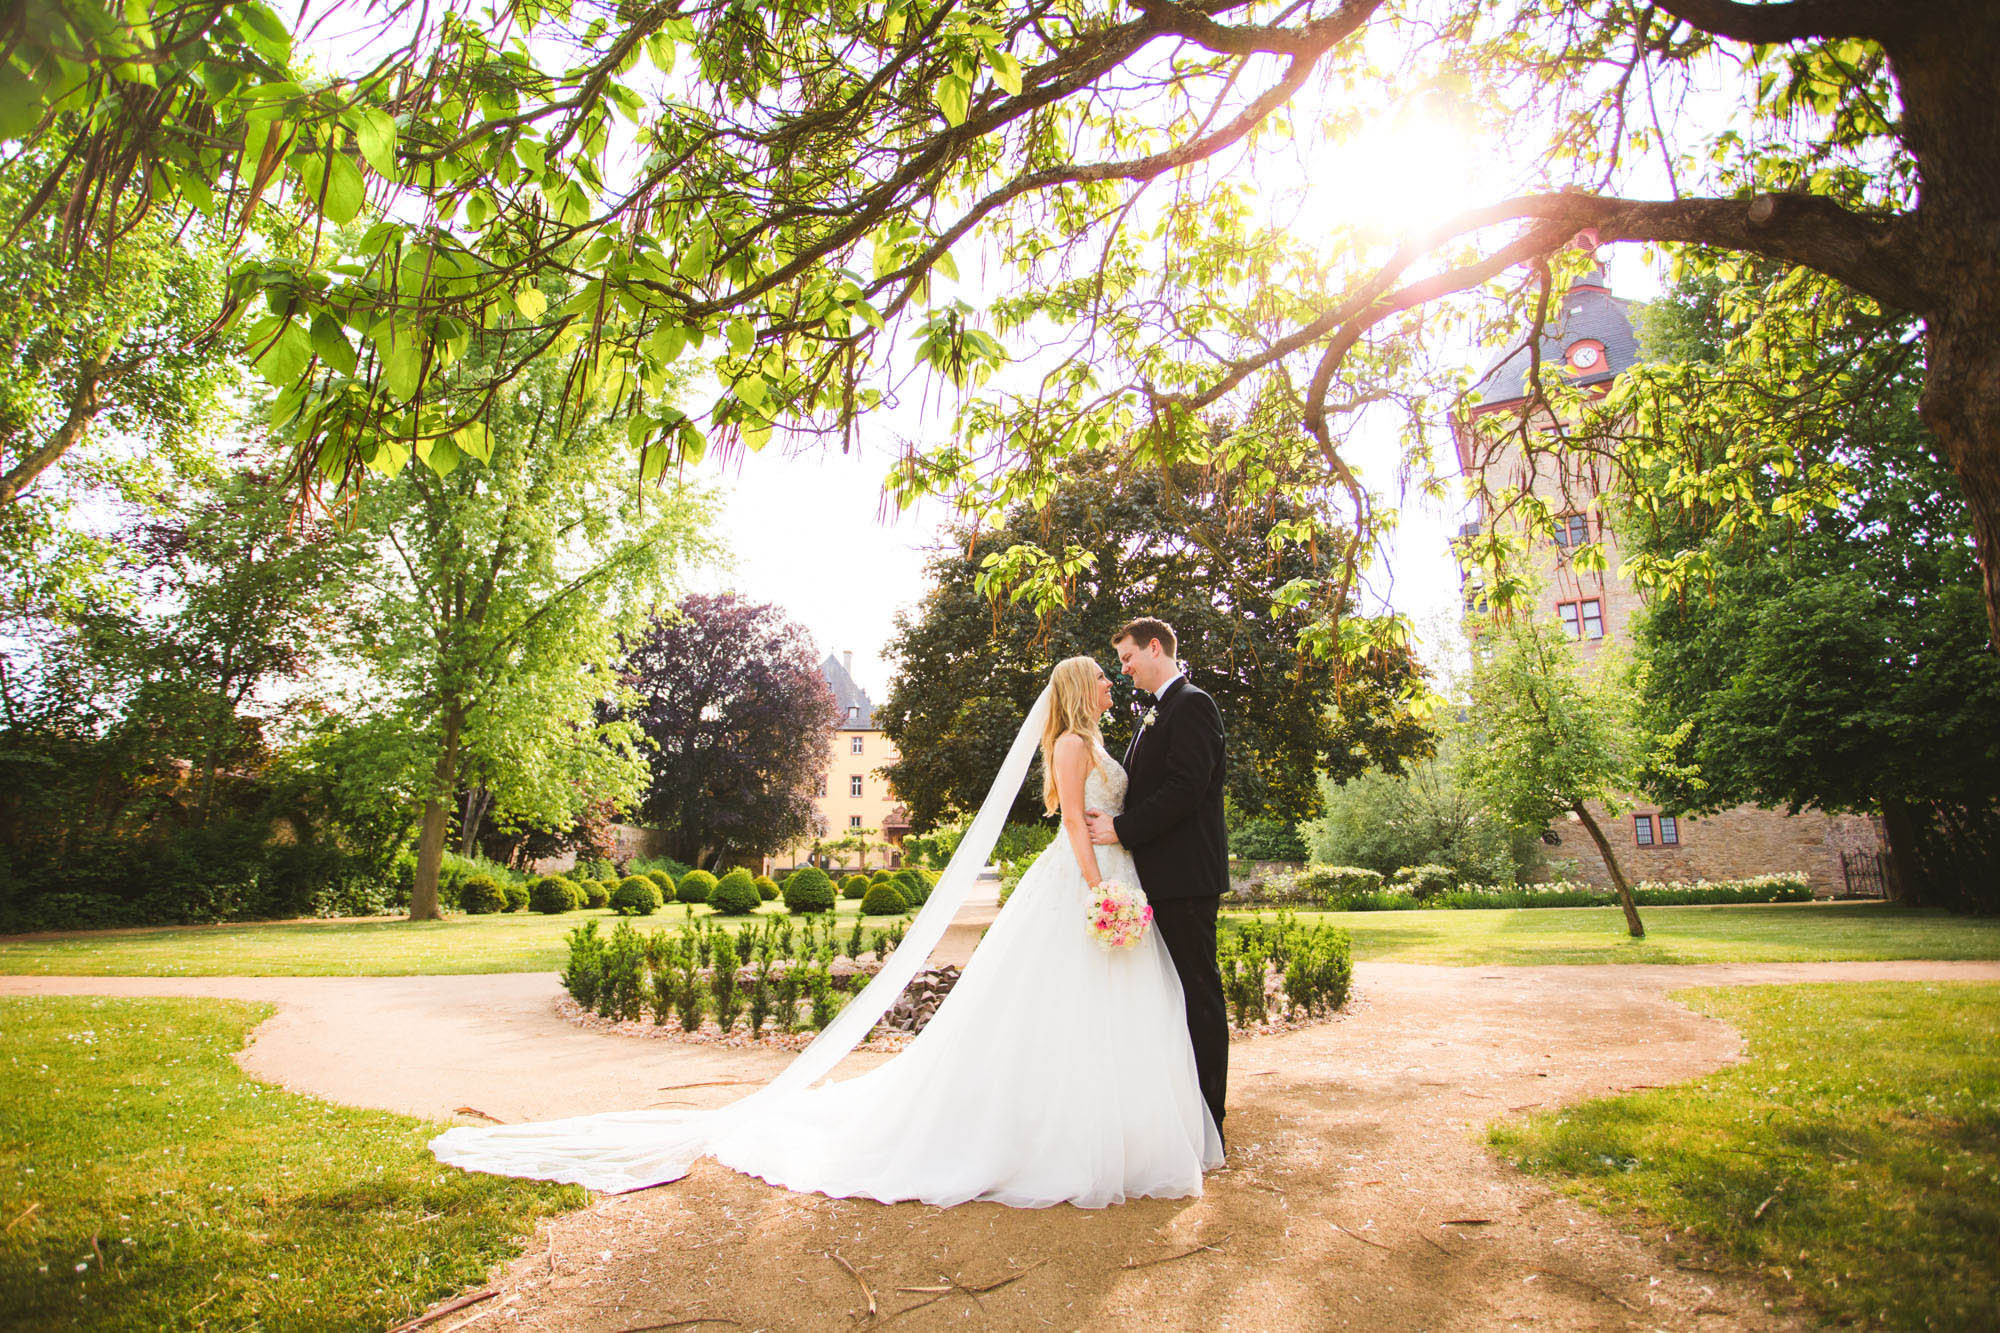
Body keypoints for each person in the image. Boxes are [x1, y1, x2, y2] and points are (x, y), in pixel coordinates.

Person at [431, 655, 1222, 1207]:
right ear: (1083, 690)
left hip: (1115, 881)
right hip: (1088, 884)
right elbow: (1082, 833)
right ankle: (1066, 1132)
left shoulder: (1095, 739)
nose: (1114, 685)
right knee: (1065, 1006)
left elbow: (1105, 817)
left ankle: (1109, 1126)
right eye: (1103, 679)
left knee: (1089, 1012)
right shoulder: (1079, 742)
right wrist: (1097, 892)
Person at [1087, 616, 1231, 1140]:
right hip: (1157, 878)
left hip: (1185, 879)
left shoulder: (1192, 704)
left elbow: (1185, 788)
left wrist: (1121, 831)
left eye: (1126, 657)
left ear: (1154, 648)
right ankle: (1179, 1115)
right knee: (1169, 996)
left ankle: (1210, 1119)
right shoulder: (1156, 712)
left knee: (1197, 994)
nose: (1122, 669)